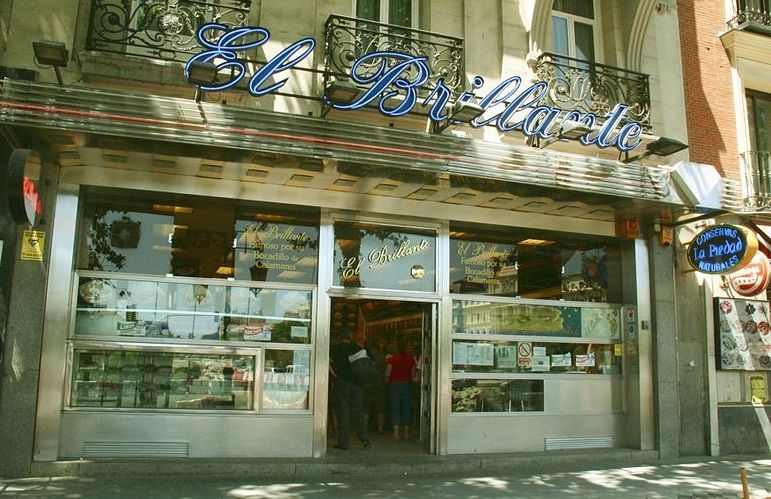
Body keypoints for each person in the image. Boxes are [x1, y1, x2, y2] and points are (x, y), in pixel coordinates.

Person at [329, 328, 370, 449]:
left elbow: (328, 363)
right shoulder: (357, 348)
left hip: (341, 383)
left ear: (339, 337)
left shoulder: (334, 349)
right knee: (358, 411)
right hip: (357, 384)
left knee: (343, 413)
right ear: (350, 337)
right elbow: (366, 364)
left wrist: (335, 375)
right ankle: (364, 438)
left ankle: (343, 443)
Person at [385, 337, 416, 441]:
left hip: (394, 385)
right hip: (406, 385)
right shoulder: (411, 360)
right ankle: (406, 433)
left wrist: (386, 380)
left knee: (395, 407)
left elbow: (387, 373)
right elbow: (413, 375)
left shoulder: (392, 359)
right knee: (406, 407)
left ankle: (396, 433)